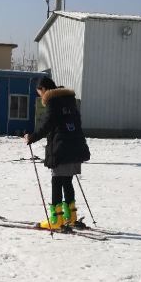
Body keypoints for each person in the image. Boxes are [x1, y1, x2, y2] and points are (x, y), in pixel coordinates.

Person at [23, 76, 90, 230]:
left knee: (57, 181)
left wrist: (32, 137)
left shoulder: (53, 102)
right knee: (67, 181)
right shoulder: (69, 100)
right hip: (75, 146)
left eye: (39, 92)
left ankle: (56, 220)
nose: (40, 95)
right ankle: (70, 216)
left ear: (44, 89)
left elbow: (47, 124)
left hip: (61, 149)